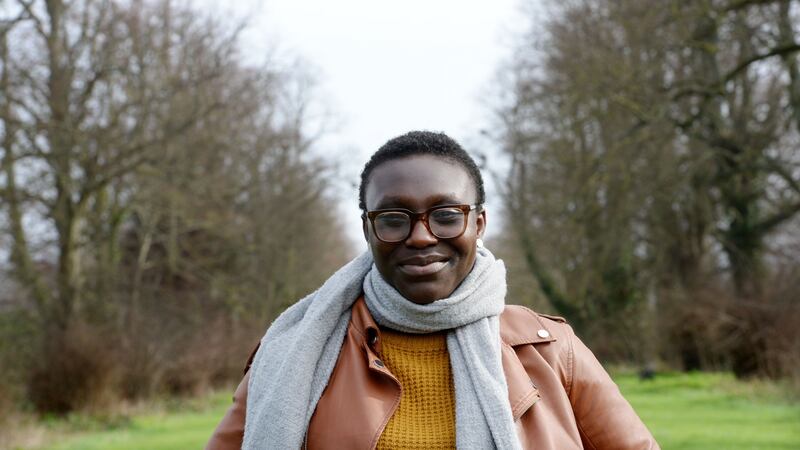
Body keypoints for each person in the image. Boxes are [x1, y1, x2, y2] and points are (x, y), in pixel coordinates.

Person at [206, 131, 659, 449]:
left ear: (478, 223)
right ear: (368, 229)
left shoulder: (551, 350)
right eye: (393, 218)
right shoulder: (293, 353)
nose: (421, 237)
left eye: (445, 214)